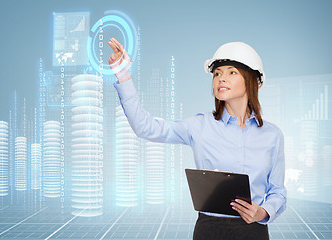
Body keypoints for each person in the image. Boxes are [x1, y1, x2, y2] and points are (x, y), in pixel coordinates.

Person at [108, 37, 286, 240]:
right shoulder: (199, 126)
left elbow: (278, 191)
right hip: (210, 230)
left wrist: (263, 212)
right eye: (217, 73)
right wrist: (123, 75)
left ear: (251, 79)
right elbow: (145, 127)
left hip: (254, 231)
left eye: (231, 72)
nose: (221, 78)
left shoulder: (272, 135)